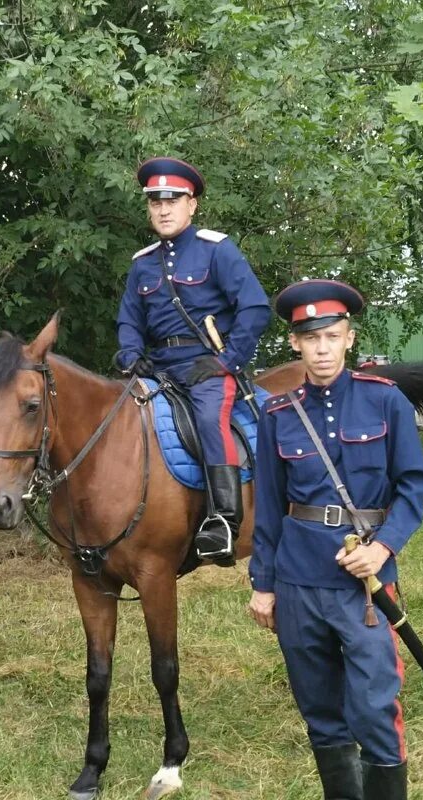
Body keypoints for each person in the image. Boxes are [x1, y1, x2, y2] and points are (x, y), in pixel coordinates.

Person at [248, 279, 423, 800]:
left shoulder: (385, 401)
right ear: (295, 344)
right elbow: (268, 506)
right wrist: (263, 585)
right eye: (311, 339)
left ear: (349, 339)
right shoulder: (278, 415)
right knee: (321, 710)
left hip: (366, 586)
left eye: (331, 336)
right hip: (299, 581)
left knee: (374, 706)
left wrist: (383, 546)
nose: (322, 348)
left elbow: (414, 484)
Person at [115, 156, 271, 564]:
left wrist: (228, 362)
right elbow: (129, 320)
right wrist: (131, 355)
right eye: (155, 202)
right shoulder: (142, 264)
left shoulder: (216, 250)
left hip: (208, 366)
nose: (163, 209)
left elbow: (255, 308)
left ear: (192, 204)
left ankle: (223, 520)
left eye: (173, 200)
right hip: (160, 368)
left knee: (207, 419)